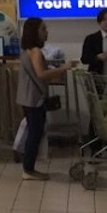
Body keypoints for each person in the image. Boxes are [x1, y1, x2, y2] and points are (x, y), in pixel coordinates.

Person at [18, 17, 79, 181]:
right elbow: (41, 74)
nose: (47, 32)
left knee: (34, 132)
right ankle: (28, 169)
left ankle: (28, 168)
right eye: (43, 29)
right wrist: (64, 68)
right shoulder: (36, 52)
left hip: (27, 98)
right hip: (34, 99)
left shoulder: (27, 51)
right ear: (35, 32)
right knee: (35, 134)